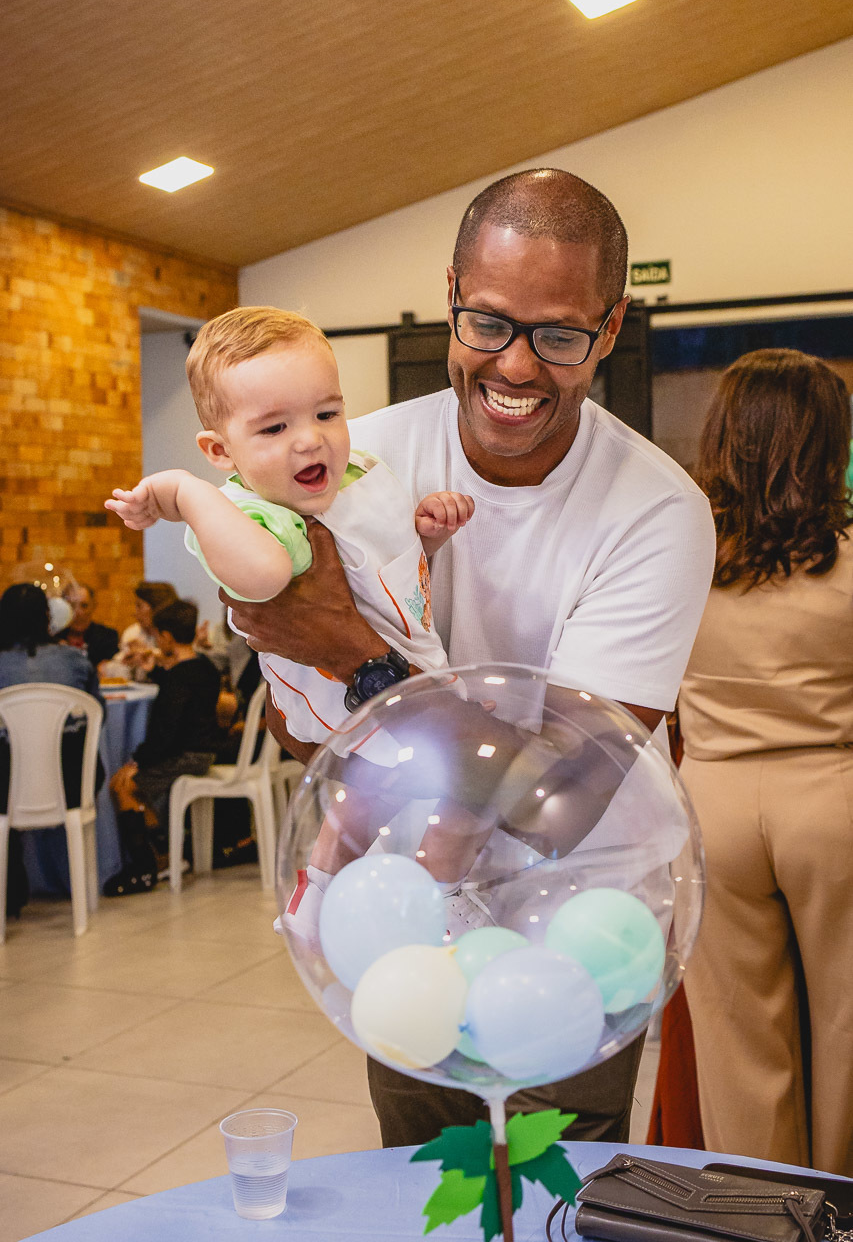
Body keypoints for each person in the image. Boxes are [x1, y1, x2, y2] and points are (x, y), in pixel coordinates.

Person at [225, 168, 717, 1147]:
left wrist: (358, 652)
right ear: (451, 293)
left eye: (559, 333)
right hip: (402, 909)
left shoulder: (657, 511)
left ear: (609, 328)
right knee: (420, 1184)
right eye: (488, 323)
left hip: (584, 925)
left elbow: (560, 799)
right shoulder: (354, 460)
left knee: (547, 1189)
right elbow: (294, 719)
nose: (518, 366)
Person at [105, 306, 473, 756]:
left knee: (433, 803)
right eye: (275, 427)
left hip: (417, 679)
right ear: (220, 451)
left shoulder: (359, 472)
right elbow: (265, 578)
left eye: (326, 414)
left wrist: (423, 532)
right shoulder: (250, 513)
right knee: (449, 801)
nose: (310, 439)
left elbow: (381, 566)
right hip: (347, 711)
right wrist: (186, 494)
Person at [678, 348, 853, 1177]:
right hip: (832, 799)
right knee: (846, 1025)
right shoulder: (849, 556)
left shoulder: (679, 556)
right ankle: (839, 1205)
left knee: (736, 1034)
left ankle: (759, 1211)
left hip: (709, 802)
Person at [0, 583, 104, 916]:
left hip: (5, 790)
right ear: (48, 617)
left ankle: (10, 895)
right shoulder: (74, 660)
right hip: (71, 783)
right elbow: (96, 715)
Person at [105, 598, 221, 896]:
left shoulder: (179, 679)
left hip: (186, 756)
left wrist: (138, 762)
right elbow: (186, 697)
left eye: (156, 636)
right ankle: (167, 856)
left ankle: (143, 868)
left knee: (123, 785)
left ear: (166, 636)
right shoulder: (203, 668)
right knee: (132, 783)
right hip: (203, 752)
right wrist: (157, 672)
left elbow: (166, 733)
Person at [118, 580, 177, 675]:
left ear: (157, 608)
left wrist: (149, 653)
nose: (135, 612)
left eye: (139, 606)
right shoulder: (132, 633)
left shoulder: (177, 632)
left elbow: (181, 663)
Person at [56, 582, 119, 671]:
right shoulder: (54, 638)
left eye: (84, 606)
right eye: (72, 606)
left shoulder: (107, 637)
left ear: (93, 606)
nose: (78, 612)